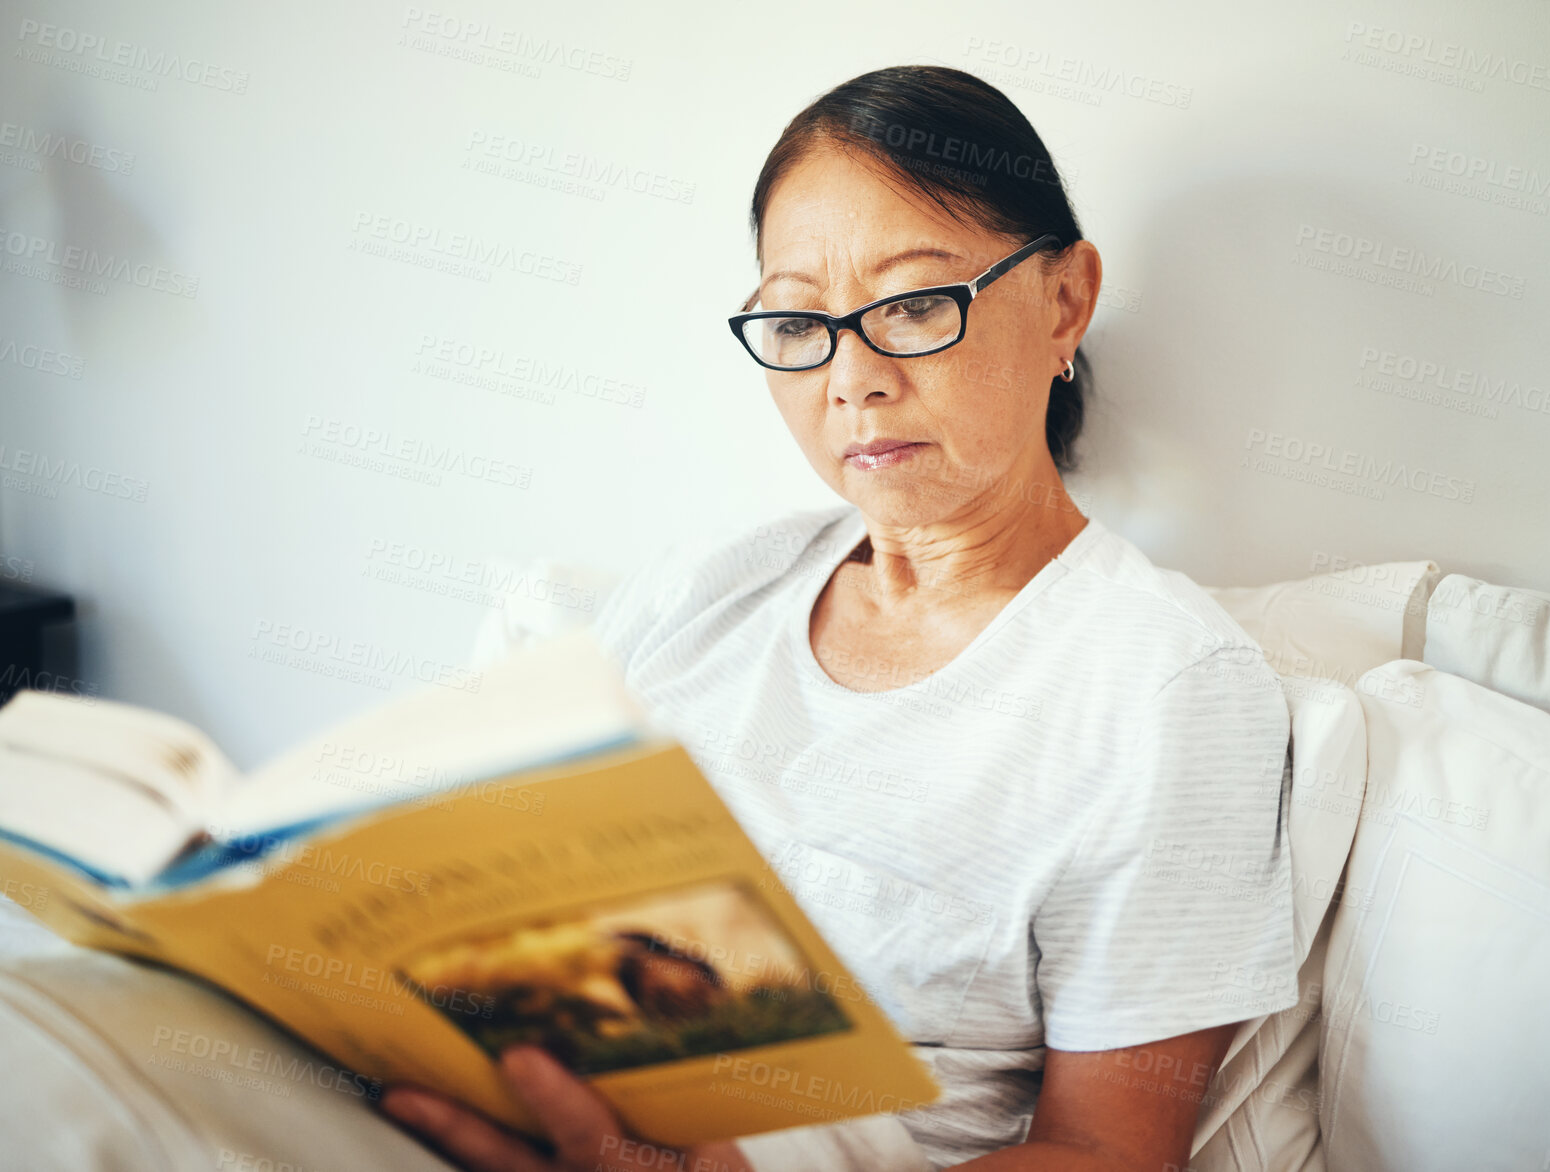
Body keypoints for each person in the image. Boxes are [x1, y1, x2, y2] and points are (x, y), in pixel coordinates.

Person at [380, 64, 1298, 1172]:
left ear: (1064, 301)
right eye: (798, 320)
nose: (851, 378)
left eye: (913, 303)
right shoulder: (704, 592)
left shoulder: (1161, 684)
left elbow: (1108, 1150)